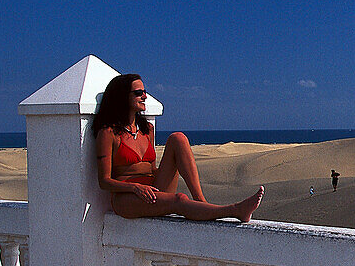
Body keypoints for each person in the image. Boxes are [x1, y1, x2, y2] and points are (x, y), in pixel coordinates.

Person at [93, 74, 263, 222]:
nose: (144, 96)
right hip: (127, 198)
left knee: (178, 138)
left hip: (152, 189)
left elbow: (152, 169)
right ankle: (234, 210)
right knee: (179, 200)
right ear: (123, 97)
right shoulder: (109, 133)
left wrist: (171, 169)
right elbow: (104, 181)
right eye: (138, 93)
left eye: (144, 92)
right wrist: (135, 187)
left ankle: (201, 201)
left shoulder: (146, 130)